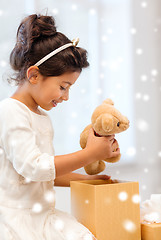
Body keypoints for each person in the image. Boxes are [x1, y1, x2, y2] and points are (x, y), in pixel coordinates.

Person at [0, 14, 120, 240]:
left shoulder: (42, 117)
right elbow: (34, 167)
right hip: (17, 222)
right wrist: (90, 154)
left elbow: (42, 175)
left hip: (44, 217)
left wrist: (82, 179)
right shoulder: (10, 111)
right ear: (34, 75)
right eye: (63, 87)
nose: (66, 96)